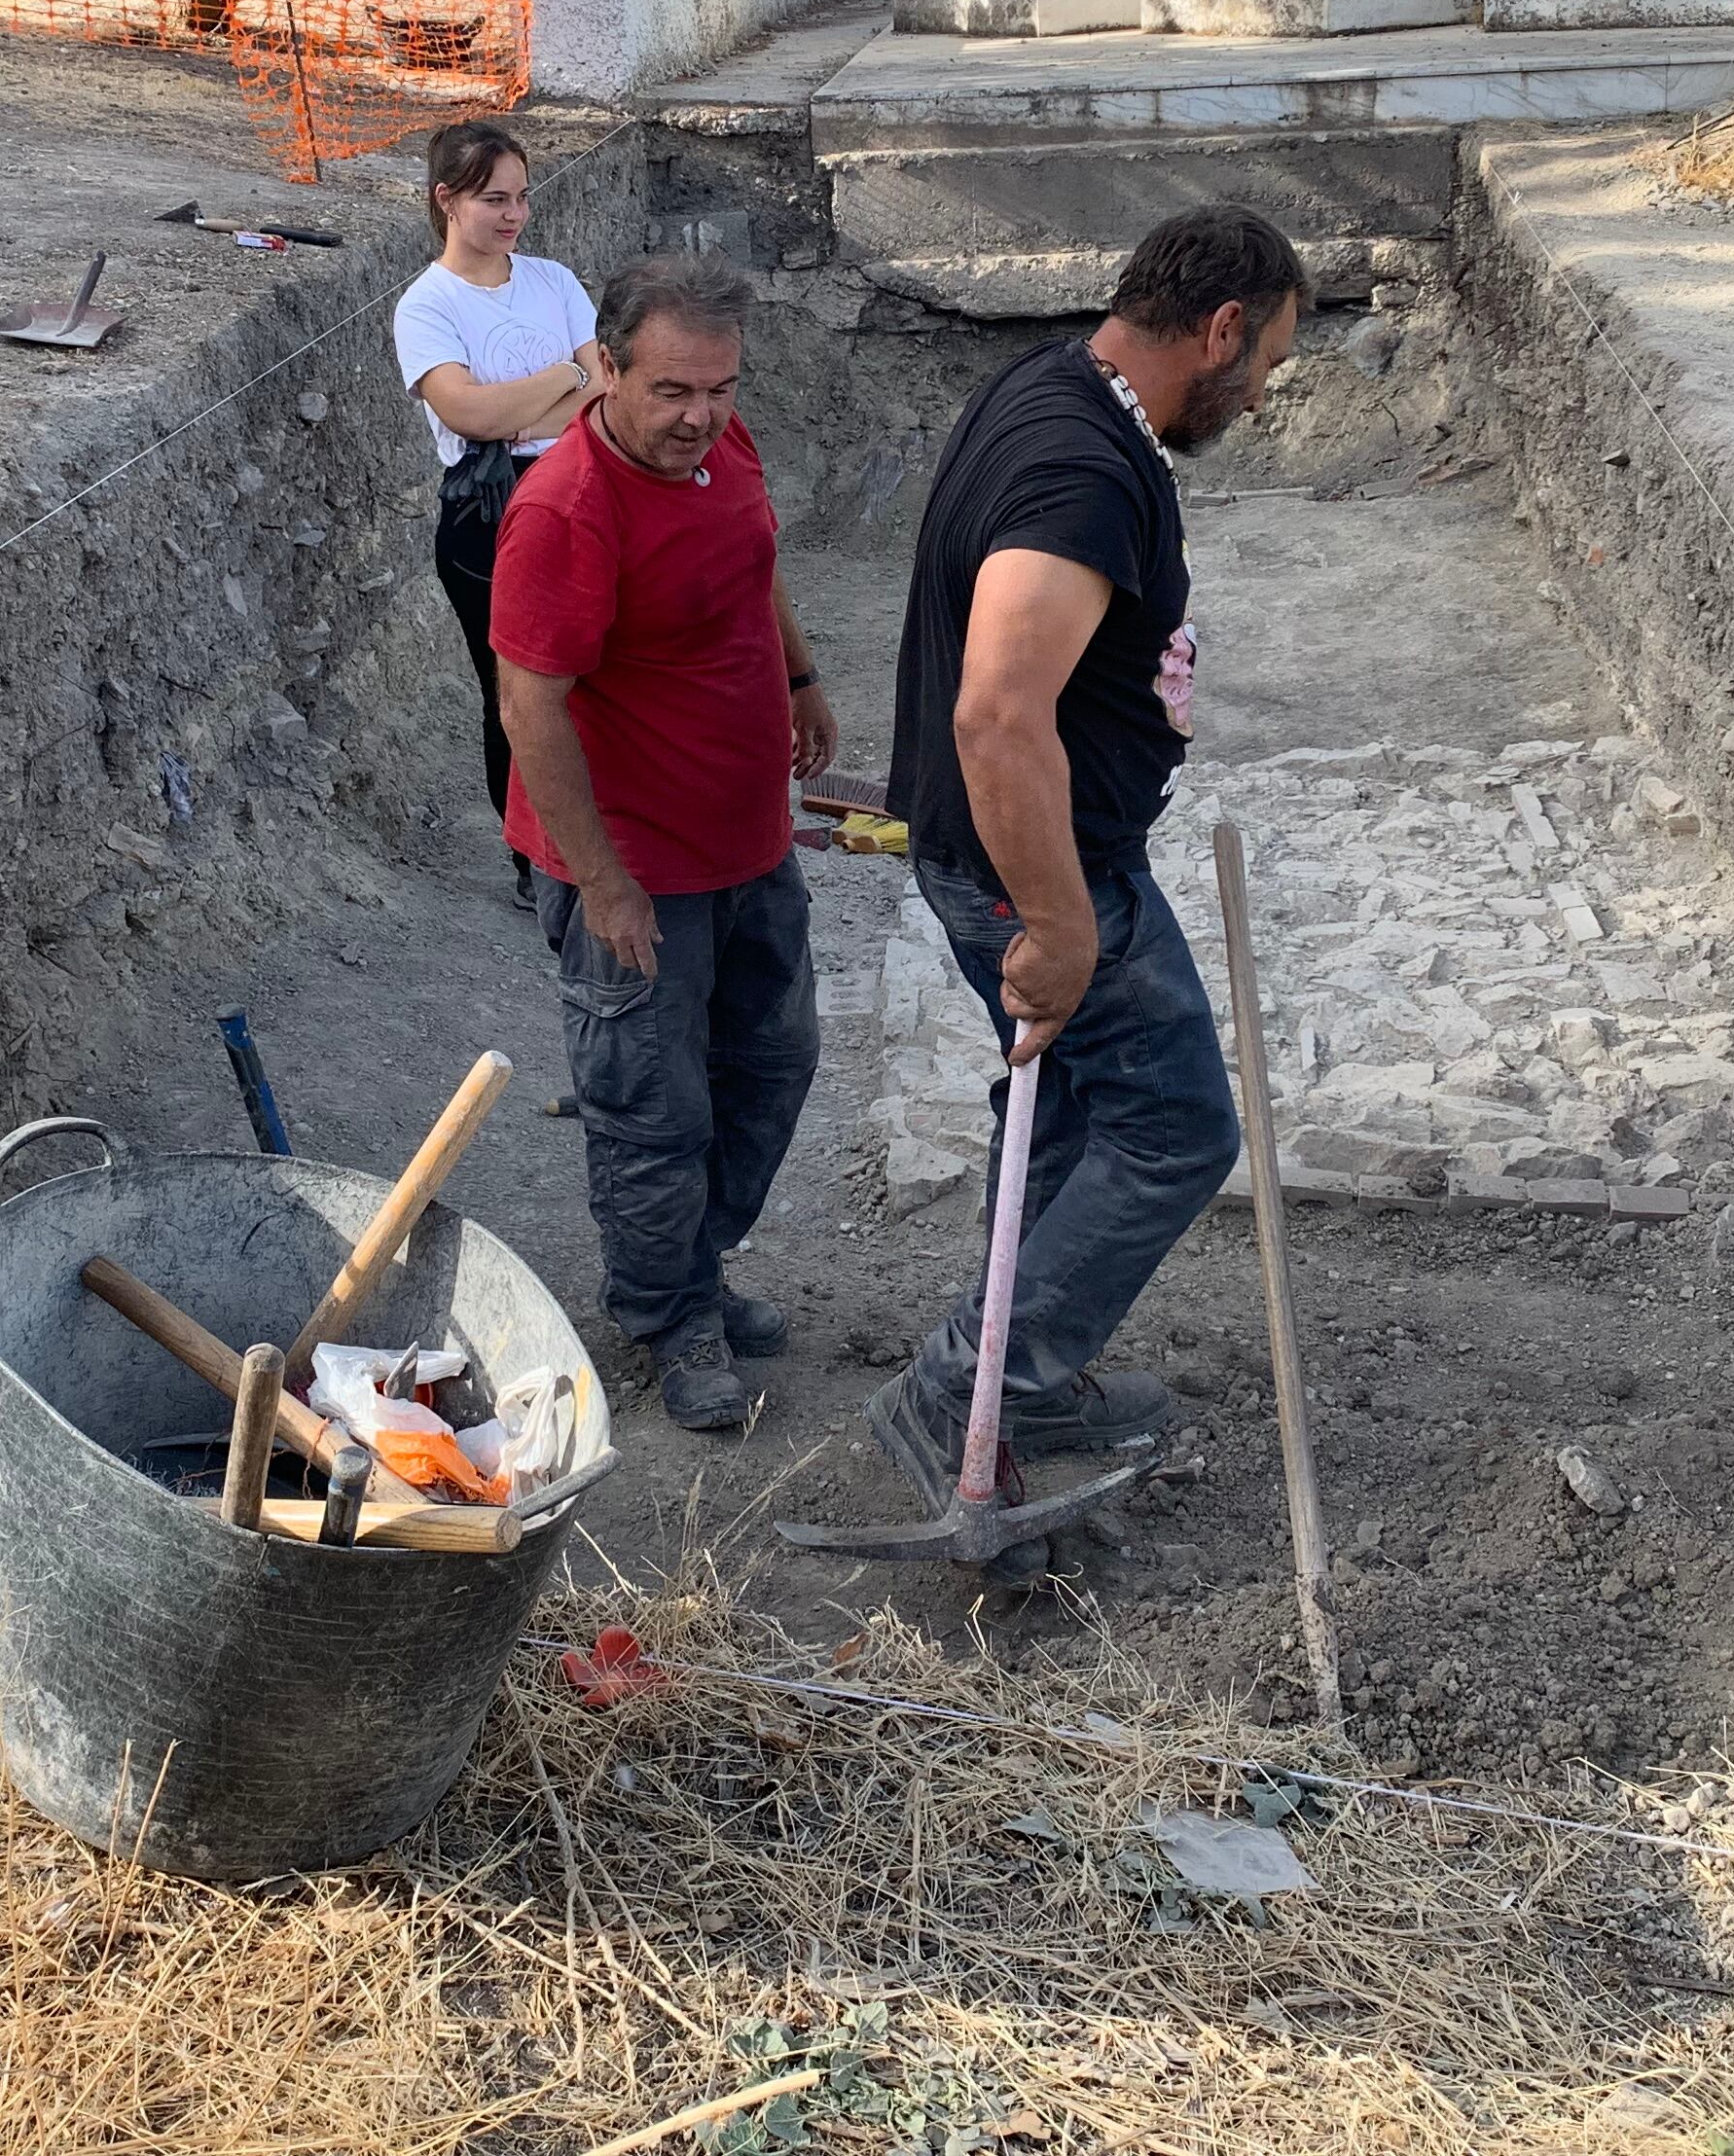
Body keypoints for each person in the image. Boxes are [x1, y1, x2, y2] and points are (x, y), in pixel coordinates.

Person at [864, 206, 1305, 1548]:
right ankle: (966, 1394)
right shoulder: (1080, 469)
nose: (1262, 394)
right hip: (1034, 867)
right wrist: (1056, 922)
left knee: (1062, 1123)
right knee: (1174, 1126)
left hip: (1027, 848)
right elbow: (998, 715)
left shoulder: (1060, 389)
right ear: (1220, 330)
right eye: (1268, 364)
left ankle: (1021, 1388)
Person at [492, 254, 839, 1431]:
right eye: (675, 391)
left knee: (773, 1063)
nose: (700, 416)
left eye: (722, 390)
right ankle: (669, 1315)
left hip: (748, 840)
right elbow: (528, 705)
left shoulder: (717, 448)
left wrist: (798, 675)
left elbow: (756, 556)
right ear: (606, 368)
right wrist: (602, 882)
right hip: (635, 868)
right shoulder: (566, 511)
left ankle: (694, 1261)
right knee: (650, 1105)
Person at [392, 122, 607, 910]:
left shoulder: (553, 280)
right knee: (516, 690)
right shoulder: (426, 305)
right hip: (490, 511)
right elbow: (468, 414)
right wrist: (559, 381)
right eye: (494, 199)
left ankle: (600, 838)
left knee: (598, 674)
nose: (514, 215)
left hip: (583, 493)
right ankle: (534, 860)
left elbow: (607, 393)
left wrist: (521, 409)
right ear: (447, 200)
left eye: (521, 197)